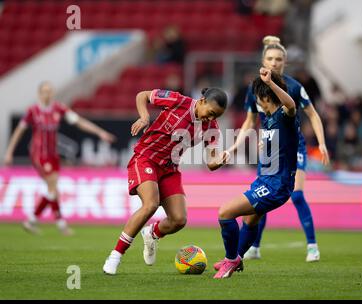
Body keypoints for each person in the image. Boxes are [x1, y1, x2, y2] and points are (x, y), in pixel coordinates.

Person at [102, 87, 229, 275]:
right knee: (150, 204)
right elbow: (142, 95)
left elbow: (211, 163)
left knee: (179, 220)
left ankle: (152, 233)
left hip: (170, 169)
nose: (211, 119)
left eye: (216, 116)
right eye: (210, 113)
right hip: (146, 158)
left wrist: (220, 160)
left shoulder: (211, 128)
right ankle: (115, 255)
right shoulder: (178, 101)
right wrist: (144, 117)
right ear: (202, 101)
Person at [229, 36, 329, 262]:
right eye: (270, 58)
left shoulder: (293, 87)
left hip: (294, 147)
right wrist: (235, 146)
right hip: (269, 149)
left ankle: (312, 246)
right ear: (263, 60)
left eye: (279, 59)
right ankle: (254, 246)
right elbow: (249, 121)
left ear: (285, 63)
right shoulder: (254, 89)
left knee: (298, 195)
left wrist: (321, 142)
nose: (274, 63)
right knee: (260, 201)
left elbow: (312, 114)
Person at [213, 68, 298, 278]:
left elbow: (291, 105)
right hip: (264, 180)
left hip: (276, 185)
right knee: (250, 221)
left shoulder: (284, 115)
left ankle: (231, 260)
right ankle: (236, 259)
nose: (257, 102)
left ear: (265, 96)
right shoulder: (267, 118)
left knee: (225, 213)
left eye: (259, 98)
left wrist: (270, 84)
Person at [3, 81, 116, 235]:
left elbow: (79, 122)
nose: (47, 94)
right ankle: (59, 224)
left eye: (50, 91)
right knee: (53, 184)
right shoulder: (33, 111)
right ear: (39, 93)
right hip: (38, 154)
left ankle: (33, 220)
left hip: (52, 154)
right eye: (44, 91)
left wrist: (100, 132)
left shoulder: (59, 108)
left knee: (53, 189)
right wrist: (9, 151)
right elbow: (19, 132)